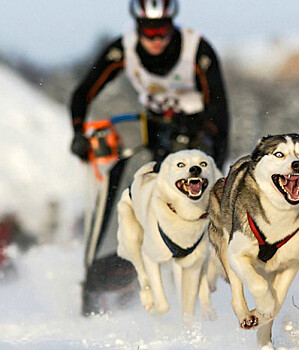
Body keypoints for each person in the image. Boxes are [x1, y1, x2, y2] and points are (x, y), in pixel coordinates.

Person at [69, 0, 229, 315]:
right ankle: (122, 276)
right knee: (134, 193)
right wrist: (77, 132)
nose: (155, 39)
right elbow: (83, 93)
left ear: (172, 24)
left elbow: (220, 110)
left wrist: (209, 151)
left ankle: (205, 283)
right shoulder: (123, 48)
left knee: (193, 207)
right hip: (157, 131)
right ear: (138, 27)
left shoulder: (197, 49)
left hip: (199, 134)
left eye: (162, 30)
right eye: (148, 30)